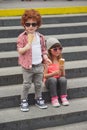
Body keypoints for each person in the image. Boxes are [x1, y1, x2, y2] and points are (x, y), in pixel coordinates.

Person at [17, 9, 51, 112]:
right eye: (28, 24)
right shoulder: (22, 37)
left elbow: (43, 49)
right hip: (27, 66)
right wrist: (27, 46)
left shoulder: (40, 37)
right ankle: (23, 100)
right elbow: (20, 51)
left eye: (33, 24)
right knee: (26, 84)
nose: (31, 27)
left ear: (37, 25)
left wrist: (45, 57)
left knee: (38, 84)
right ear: (24, 25)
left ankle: (38, 98)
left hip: (39, 65)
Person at [44, 37, 69, 107]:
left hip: (58, 81)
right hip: (50, 82)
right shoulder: (47, 61)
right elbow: (44, 76)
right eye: (55, 49)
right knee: (53, 79)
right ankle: (54, 98)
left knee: (63, 79)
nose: (58, 51)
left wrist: (62, 69)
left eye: (60, 48)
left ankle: (63, 97)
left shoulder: (60, 60)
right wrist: (53, 74)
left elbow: (63, 75)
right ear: (49, 50)